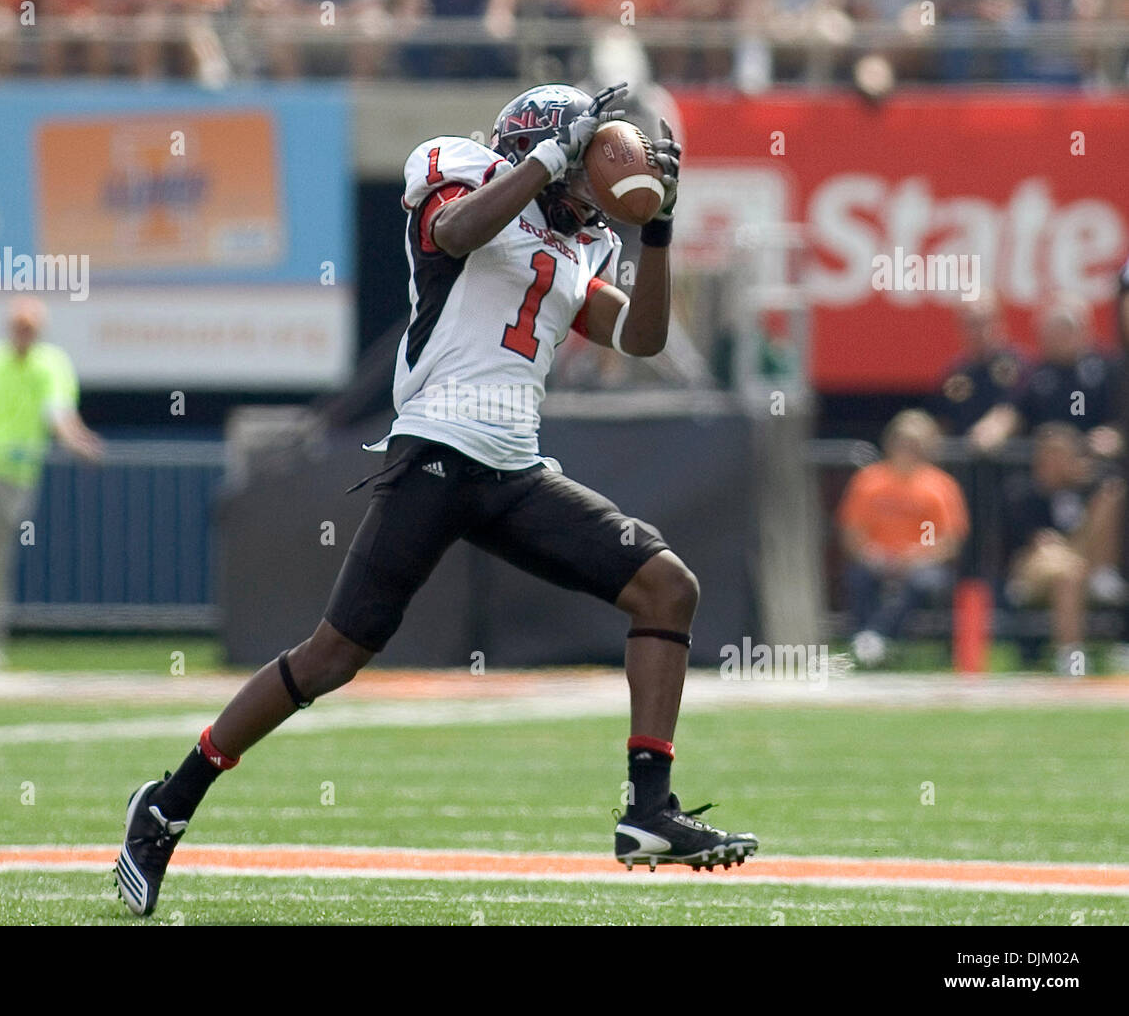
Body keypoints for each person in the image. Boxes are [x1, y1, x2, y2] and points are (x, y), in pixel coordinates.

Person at [116, 82, 759, 918]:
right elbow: (456, 232)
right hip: (438, 449)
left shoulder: (581, 242)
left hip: (516, 469)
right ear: (542, 141)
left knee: (666, 585)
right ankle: (168, 802)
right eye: (582, 156)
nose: (590, 185)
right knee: (331, 658)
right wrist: (544, 163)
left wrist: (661, 230)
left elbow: (642, 337)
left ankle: (648, 811)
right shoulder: (457, 170)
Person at [0, 297, 103, 668]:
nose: (24, 332)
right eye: (19, 325)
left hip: (16, 477)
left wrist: (80, 442)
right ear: (8, 326)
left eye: (30, 327)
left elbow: (59, 414)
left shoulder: (52, 364)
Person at [837, 409, 970, 667]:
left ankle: (874, 638)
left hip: (921, 564)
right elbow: (851, 532)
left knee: (922, 581)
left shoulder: (940, 487)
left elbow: (949, 540)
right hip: (875, 560)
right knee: (859, 576)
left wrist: (916, 557)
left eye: (915, 443)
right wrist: (873, 554)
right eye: (903, 441)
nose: (908, 449)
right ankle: (873, 643)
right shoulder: (868, 481)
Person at [1003, 423, 1125, 672]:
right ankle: (1071, 658)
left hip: (1080, 566)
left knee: (1071, 571)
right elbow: (1040, 545)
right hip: (1032, 574)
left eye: (1060, 456)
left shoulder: (1087, 490)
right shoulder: (1023, 492)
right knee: (1065, 571)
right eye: (1047, 455)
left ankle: (1103, 578)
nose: (1053, 463)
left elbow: (1113, 486)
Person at [972, 296, 1121, 459]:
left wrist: (1115, 435)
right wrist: (992, 429)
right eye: (1053, 331)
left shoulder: (1107, 369)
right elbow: (1010, 411)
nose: (1060, 338)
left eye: (1066, 329)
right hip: (1045, 469)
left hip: (1093, 466)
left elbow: (1119, 416)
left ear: (1084, 330)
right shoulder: (1033, 374)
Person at [929, 291, 1026, 442]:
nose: (978, 331)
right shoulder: (955, 372)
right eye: (970, 324)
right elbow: (943, 421)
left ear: (999, 323)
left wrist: (995, 427)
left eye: (984, 322)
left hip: (1009, 461)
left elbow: (1013, 410)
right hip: (963, 461)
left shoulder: (1020, 364)